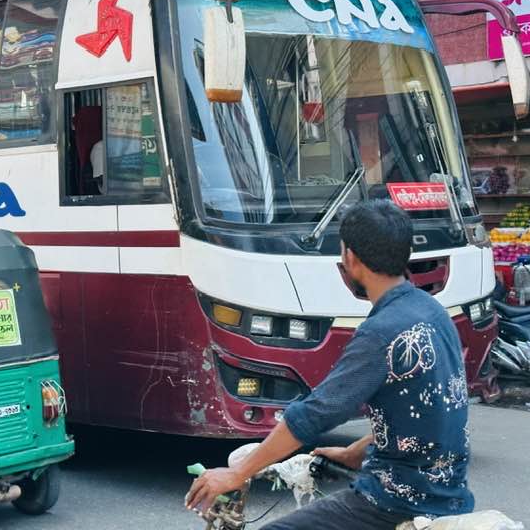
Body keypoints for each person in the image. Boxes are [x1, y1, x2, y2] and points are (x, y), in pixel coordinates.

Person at [187, 200, 474, 529]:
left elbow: (312, 415)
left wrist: (237, 473)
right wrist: (355, 451)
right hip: (448, 495)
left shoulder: (379, 334)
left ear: (350, 258)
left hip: (392, 503)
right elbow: (434, 412)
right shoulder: (434, 313)